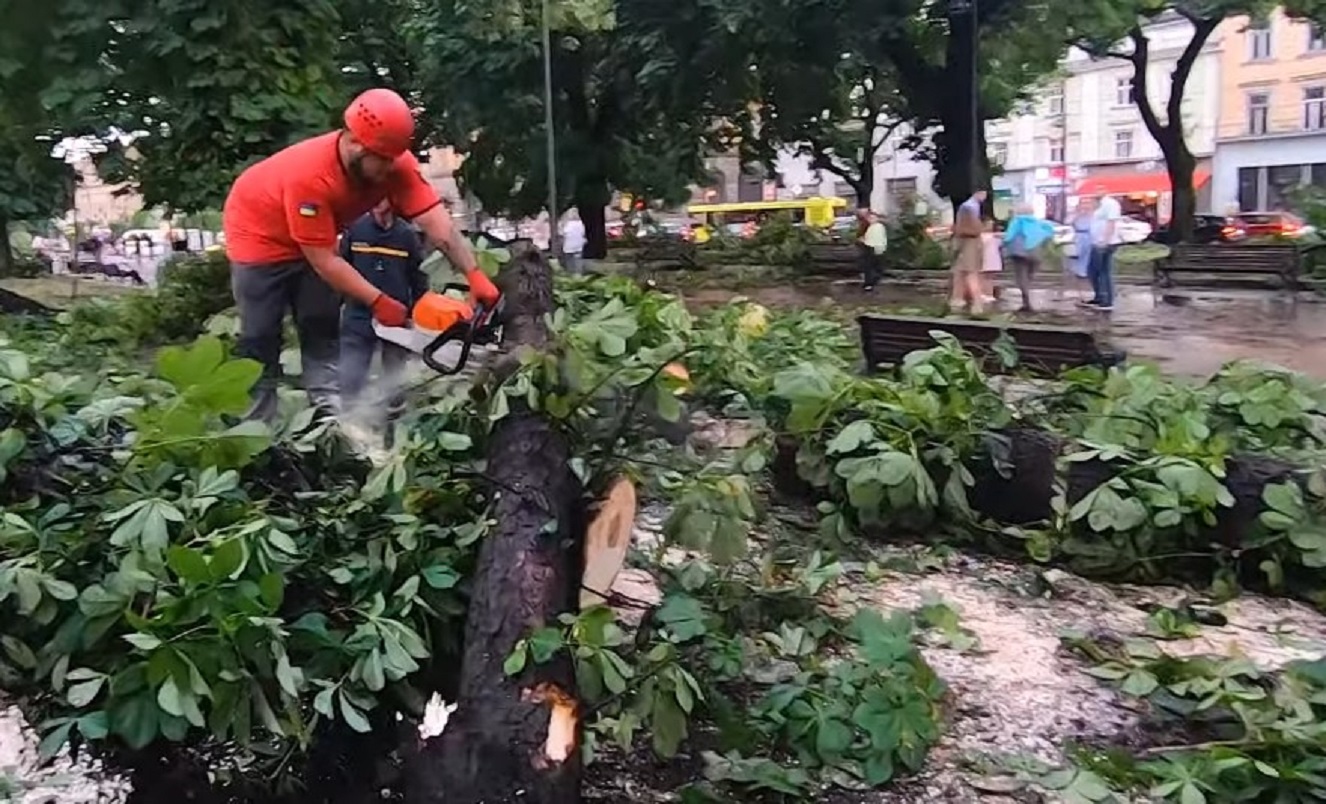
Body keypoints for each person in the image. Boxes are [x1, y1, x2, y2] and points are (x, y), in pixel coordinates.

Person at [222, 88, 499, 419]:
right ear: (354, 143)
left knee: (320, 324)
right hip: (259, 238)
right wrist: (378, 301)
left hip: (317, 236)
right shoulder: (311, 177)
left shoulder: (395, 163)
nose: (387, 169)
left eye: (393, 159)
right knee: (260, 337)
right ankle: (257, 428)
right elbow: (324, 258)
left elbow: (435, 221)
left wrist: (474, 274)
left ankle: (328, 421)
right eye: (380, 160)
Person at [338, 199, 428, 415]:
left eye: (383, 197)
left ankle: (395, 422)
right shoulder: (356, 229)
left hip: (396, 318)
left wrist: (418, 311)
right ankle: (346, 422)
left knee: (395, 377)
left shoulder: (406, 235)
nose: (377, 202)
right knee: (351, 373)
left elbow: (418, 277)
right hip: (359, 314)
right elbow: (340, 268)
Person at [1003, 203, 1056, 313]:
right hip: (1035, 253)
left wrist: (1003, 244)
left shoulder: (1017, 221)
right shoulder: (1038, 222)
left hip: (1020, 253)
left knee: (1022, 277)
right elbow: (1050, 231)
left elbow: (1009, 236)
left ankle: (1026, 303)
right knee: (1029, 277)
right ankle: (1028, 300)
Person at [1082, 191, 1123, 312]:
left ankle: (1106, 300)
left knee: (1103, 271)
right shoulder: (1098, 204)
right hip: (1096, 242)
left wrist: (1105, 240)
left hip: (1105, 243)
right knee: (1093, 271)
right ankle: (1099, 296)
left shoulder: (1110, 204)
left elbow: (1111, 223)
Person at [949, 189, 987, 314]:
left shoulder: (967, 208)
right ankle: (970, 301)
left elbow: (960, 231)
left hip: (966, 245)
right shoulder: (970, 208)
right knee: (967, 273)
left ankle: (962, 299)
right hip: (971, 245)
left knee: (963, 272)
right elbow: (973, 230)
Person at [1068, 198, 1094, 299]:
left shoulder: (1094, 214)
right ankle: (1080, 291)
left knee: (1089, 261)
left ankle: (1090, 288)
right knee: (1077, 262)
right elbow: (1068, 222)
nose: (1085, 206)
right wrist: (1077, 214)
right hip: (1078, 237)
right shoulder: (1075, 213)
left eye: (1087, 203)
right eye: (1083, 203)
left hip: (1091, 237)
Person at [857, 208, 887, 291]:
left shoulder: (878, 227)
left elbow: (879, 239)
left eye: (873, 218)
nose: (871, 220)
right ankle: (869, 282)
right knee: (869, 266)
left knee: (872, 266)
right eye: (869, 218)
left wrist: (864, 241)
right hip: (870, 247)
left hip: (874, 247)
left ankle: (871, 282)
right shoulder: (870, 227)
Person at [979, 218, 1003, 304]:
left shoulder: (982, 236)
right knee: (989, 278)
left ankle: (985, 294)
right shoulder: (995, 237)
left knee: (984, 278)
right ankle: (988, 294)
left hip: (986, 260)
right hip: (994, 261)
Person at [560, 209, 586, 275]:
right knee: (578, 260)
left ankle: (570, 274)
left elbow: (563, 233)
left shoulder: (568, 224)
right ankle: (578, 274)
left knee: (569, 261)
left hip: (569, 246)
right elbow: (583, 233)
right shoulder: (581, 223)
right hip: (579, 245)